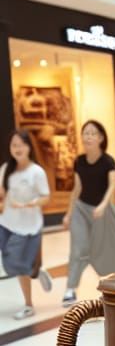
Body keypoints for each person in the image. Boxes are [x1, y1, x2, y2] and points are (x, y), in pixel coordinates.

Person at [61, 120, 115, 305]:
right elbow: (77, 188)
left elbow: (112, 185)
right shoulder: (79, 161)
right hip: (81, 208)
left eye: (93, 133)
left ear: (101, 138)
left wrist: (103, 205)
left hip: (103, 210)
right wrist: (69, 213)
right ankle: (70, 288)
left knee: (112, 247)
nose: (88, 136)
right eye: (85, 133)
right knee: (78, 248)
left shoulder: (108, 161)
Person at [0, 131, 53, 318]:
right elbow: (2, 193)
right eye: (14, 145)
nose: (17, 149)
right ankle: (35, 270)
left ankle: (29, 304)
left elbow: (46, 197)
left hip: (28, 226)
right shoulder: (6, 169)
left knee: (16, 264)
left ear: (29, 147)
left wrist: (31, 203)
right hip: (6, 223)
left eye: (21, 145)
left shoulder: (36, 172)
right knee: (10, 263)